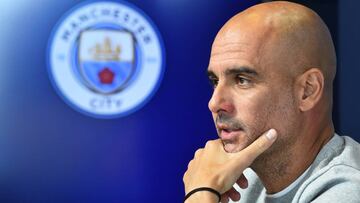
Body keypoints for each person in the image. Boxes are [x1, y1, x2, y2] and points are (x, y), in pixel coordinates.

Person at [183, 1, 360, 203]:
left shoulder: (348, 191)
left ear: (307, 91)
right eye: (215, 81)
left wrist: (200, 193)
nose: (214, 103)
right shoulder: (239, 181)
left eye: (242, 80)